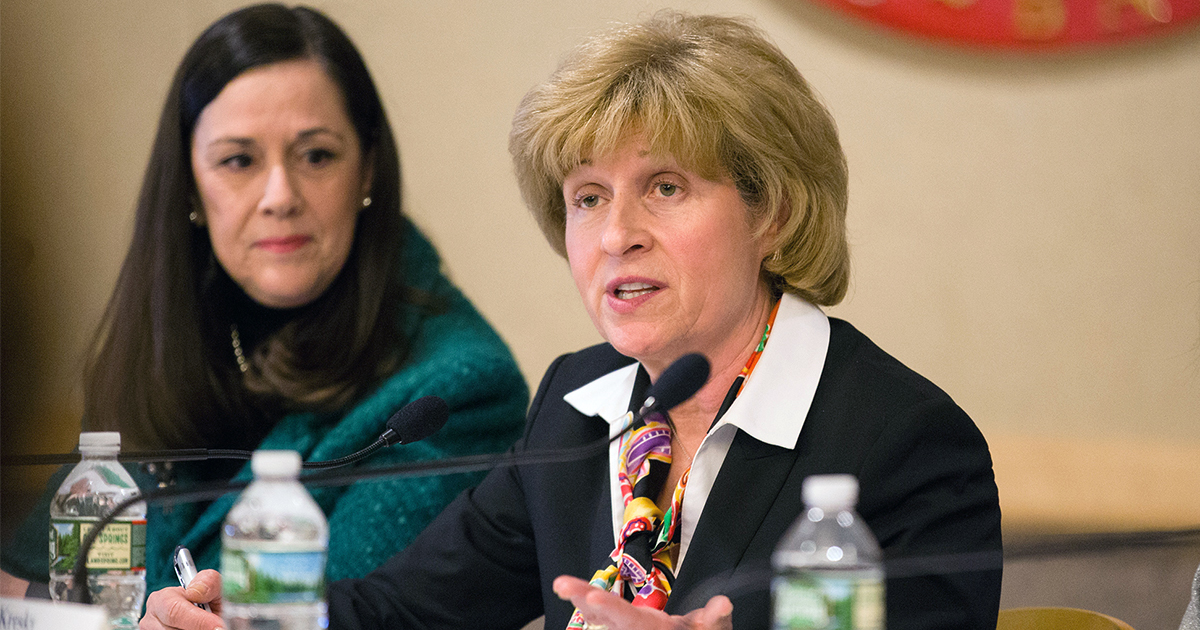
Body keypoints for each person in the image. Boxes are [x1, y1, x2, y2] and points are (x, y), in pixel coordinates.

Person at [140, 11, 1002, 630]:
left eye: (665, 187)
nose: (617, 235)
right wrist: (250, 617)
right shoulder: (580, 405)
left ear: (770, 211)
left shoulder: (909, 444)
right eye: (588, 198)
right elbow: (410, 608)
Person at [0, 3, 527, 600]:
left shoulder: (456, 388)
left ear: (368, 172)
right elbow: (29, 574)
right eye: (239, 161)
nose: (280, 195)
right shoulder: (160, 348)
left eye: (317, 156)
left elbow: (304, 612)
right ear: (191, 188)